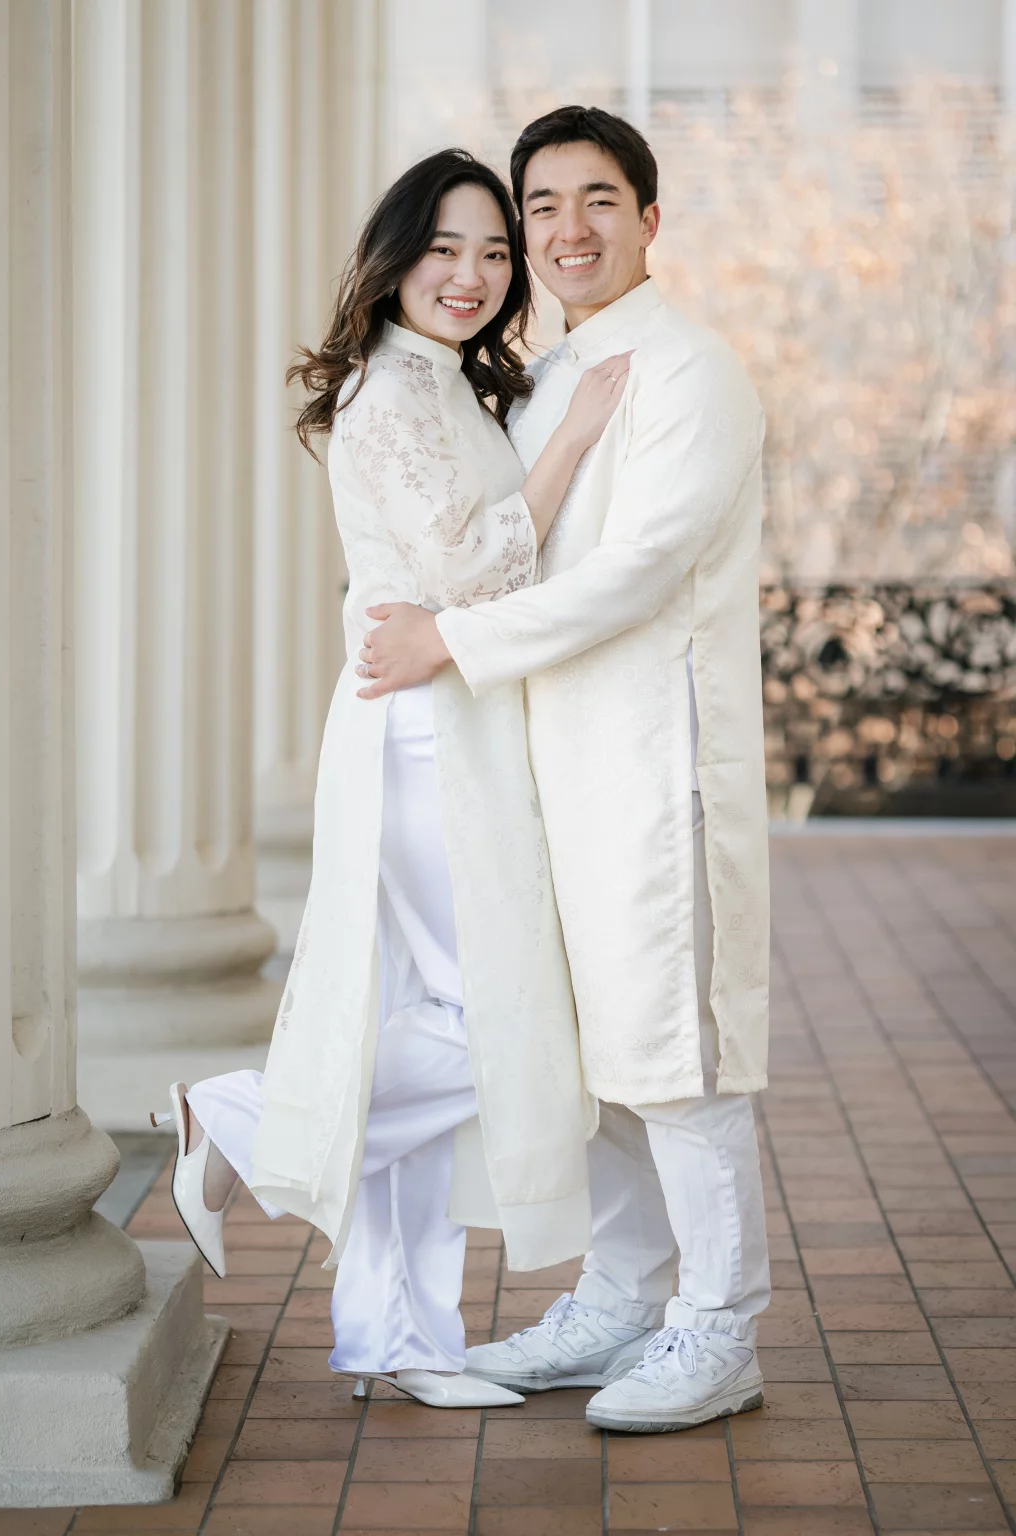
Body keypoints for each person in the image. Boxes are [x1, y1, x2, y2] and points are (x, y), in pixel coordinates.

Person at [154, 148, 635, 1411]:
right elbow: (474, 568)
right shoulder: (387, 394)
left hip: (452, 727)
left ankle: (398, 1334)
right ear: (395, 258)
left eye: (493, 252)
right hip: (426, 739)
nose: (472, 275)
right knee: (491, 1022)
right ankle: (239, 1122)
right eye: (445, 250)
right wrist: (577, 436)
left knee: (429, 1016)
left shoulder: (448, 389)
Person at [356, 106, 772, 1434]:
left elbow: (635, 574)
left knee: (678, 1065)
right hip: (549, 780)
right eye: (542, 205)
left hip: (656, 780)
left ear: (651, 218)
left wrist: (449, 640)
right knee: (593, 1062)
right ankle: (620, 1299)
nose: (565, 230)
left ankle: (721, 1327)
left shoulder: (691, 371)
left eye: (598, 200)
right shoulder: (543, 377)